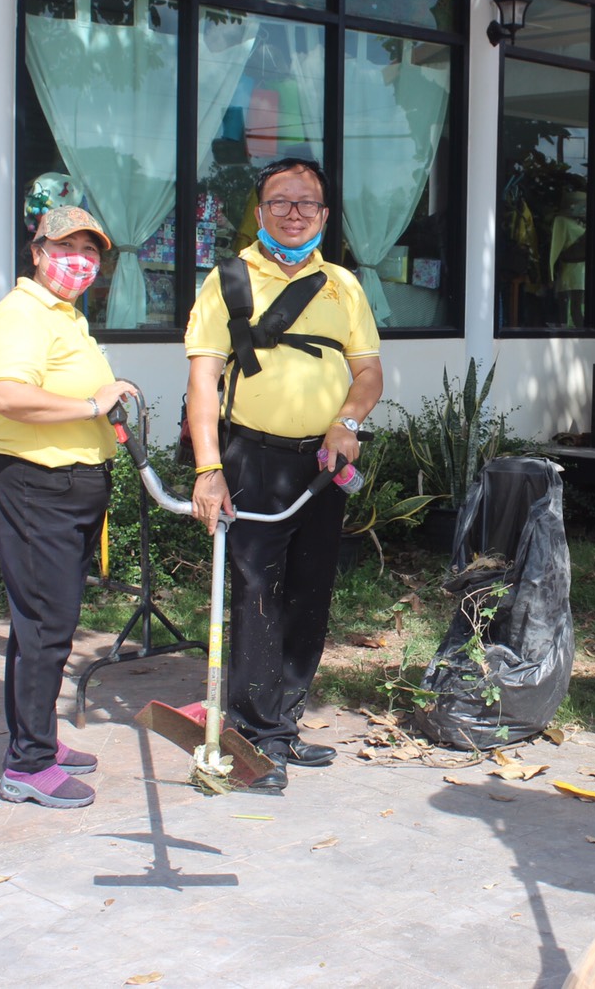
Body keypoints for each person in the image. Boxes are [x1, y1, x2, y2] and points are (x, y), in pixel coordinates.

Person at [184, 158, 382, 795]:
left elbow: (369, 373)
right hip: (252, 458)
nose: (294, 213)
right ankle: (246, 735)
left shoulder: (343, 286)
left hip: (323, 464)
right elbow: (202, 384)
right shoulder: (228, 280)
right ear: (261, 211)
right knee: (255, 593)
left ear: (324, 216)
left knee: (309, 590)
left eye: (307, 204)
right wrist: (209, 469)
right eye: (281, 202)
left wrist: (347, 420)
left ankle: (283, 721)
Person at [0, 205, 140, 809]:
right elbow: (7, 394)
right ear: (38, 251)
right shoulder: (21, 313)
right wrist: (91, 406)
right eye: (67, 246)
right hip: (36, 489)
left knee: (46, 626)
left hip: (70, 490)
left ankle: (37, 739)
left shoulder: (65, 316)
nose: (81, 260)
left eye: (92, 250)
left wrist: (103, 404)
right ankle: (26, 765)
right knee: (46, 627)